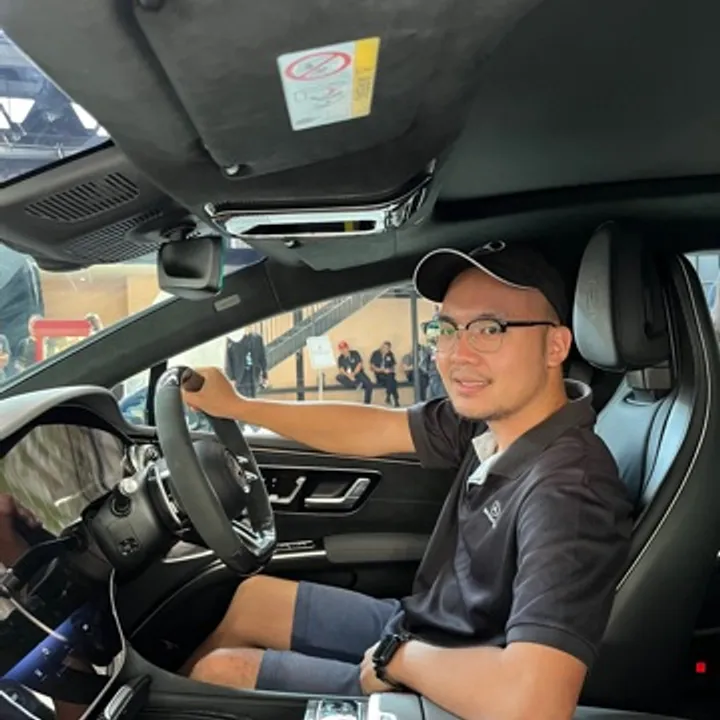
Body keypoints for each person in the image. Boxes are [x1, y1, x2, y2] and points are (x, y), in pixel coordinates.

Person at [178, 243, 633, 720]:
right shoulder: (491, 422)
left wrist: (397, 660)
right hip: (424, 627)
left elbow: (534, 705)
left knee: (221, 672)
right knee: (254, 600)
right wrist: (239, 407)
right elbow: (373, 429)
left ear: (555, 346)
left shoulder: (571, 491)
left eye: (489, 329)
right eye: (446, 329)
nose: (457, 354)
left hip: (455, 680)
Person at [370, 341, 400, 407]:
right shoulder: (375, 353)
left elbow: (393, 367)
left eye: (386, 348)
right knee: (393, 381)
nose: (384, 349)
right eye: (383, 347)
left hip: (389, 374)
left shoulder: (390, 354)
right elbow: (372, 367)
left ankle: (389, 397)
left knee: (391, 379)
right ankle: (394, 399)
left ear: (389, 349)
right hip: (379, 375)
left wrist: (389, 370)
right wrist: (383, 370)